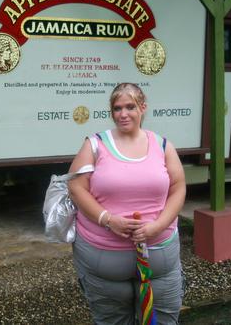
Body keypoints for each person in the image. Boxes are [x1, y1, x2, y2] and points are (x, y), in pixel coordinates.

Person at [68, 82, 186, 325]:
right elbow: (76, 188)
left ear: (143, 107)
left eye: (130, 107)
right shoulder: (94, 145)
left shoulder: (163, 146)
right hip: (104, 258)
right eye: (117, 108)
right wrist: (108, 220)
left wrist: (157, 226)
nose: (123, 114)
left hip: (159, 256)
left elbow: (178, 188)